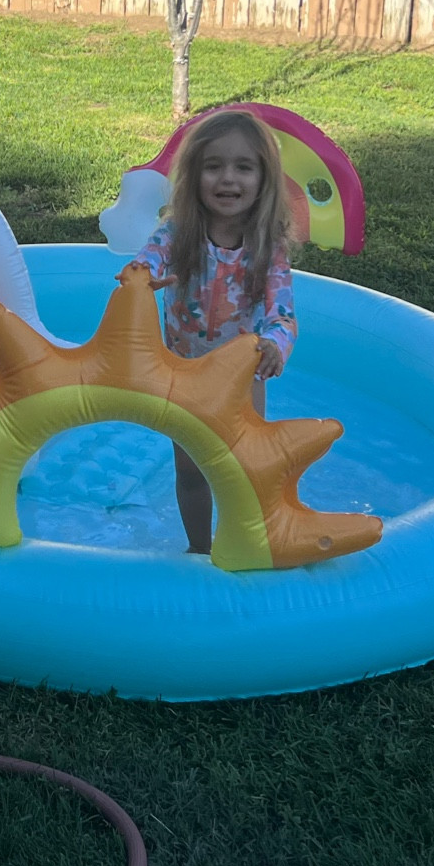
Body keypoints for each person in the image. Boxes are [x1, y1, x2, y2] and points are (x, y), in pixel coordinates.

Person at [121, 109, 297, 554]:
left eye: (243, 167)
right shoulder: (179, 232)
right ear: (194, 175)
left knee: (247, 467)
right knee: (191, 471)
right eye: (213, 166)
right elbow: (148, 258)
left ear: (263, 178)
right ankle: (198, 548)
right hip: (183, 373)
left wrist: (275, 344)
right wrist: (142, 275)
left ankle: (244, 541)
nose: (227, 179)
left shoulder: (268, 248)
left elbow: (283, 313)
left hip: (242, 376)